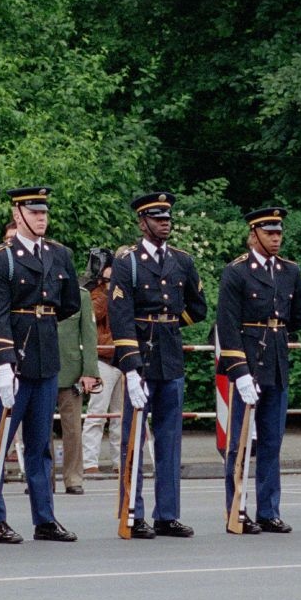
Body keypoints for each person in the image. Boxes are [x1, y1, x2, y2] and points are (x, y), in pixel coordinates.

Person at [0, 186, 79, 543]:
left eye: (44, 212)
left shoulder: (59, 254)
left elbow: (68, 304)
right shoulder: (3, 257)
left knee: (40, 445)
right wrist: (4, 362)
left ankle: (45, 518)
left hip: (45, 356)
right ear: (18, 215)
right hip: (12, 356)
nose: (42, 218)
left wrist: (41, 322)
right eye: (34, 212)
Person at [108, 192, 206, 538]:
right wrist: (130, 366)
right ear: (142, 222)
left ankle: (167, 513)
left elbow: (198, 307)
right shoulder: (128, 262)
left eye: (167, 217)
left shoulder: (182, 260)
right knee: (134, 438)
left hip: (170, 354)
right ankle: (132, 512)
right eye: (157, 217)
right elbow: (119, 317)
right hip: (140, 355)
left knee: (170, 439)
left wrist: (167, 324)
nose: (165, 222)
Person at [216, 206, 301, 534]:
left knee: (272, 441)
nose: (276, 238)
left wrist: (280, 335)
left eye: (279, 232)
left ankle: (269, 510)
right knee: (240, 443)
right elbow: (226, 324)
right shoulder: (237, 272)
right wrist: (239, 371)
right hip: (247, 362)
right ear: (253, 234)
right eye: (269, 233)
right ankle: (237, 509)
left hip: (276, 364)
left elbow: (299, 316)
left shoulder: (289, 271)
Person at [55, 274, 100, 497]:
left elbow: (89, 336)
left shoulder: (81, 296)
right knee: (38, 429)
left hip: (71, 370)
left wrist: (90, 371)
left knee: (72, 429)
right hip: (39, 367)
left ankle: (73, 477)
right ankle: (43, 478)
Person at [80, 248, 121, 477]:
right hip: (103, 358)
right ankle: (89, 462)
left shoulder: (118, 291)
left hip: (120, 358)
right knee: (97, 414)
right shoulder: (94, 294)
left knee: (119, 417)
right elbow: (93, 315)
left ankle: (120, 461)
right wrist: (107, 288)